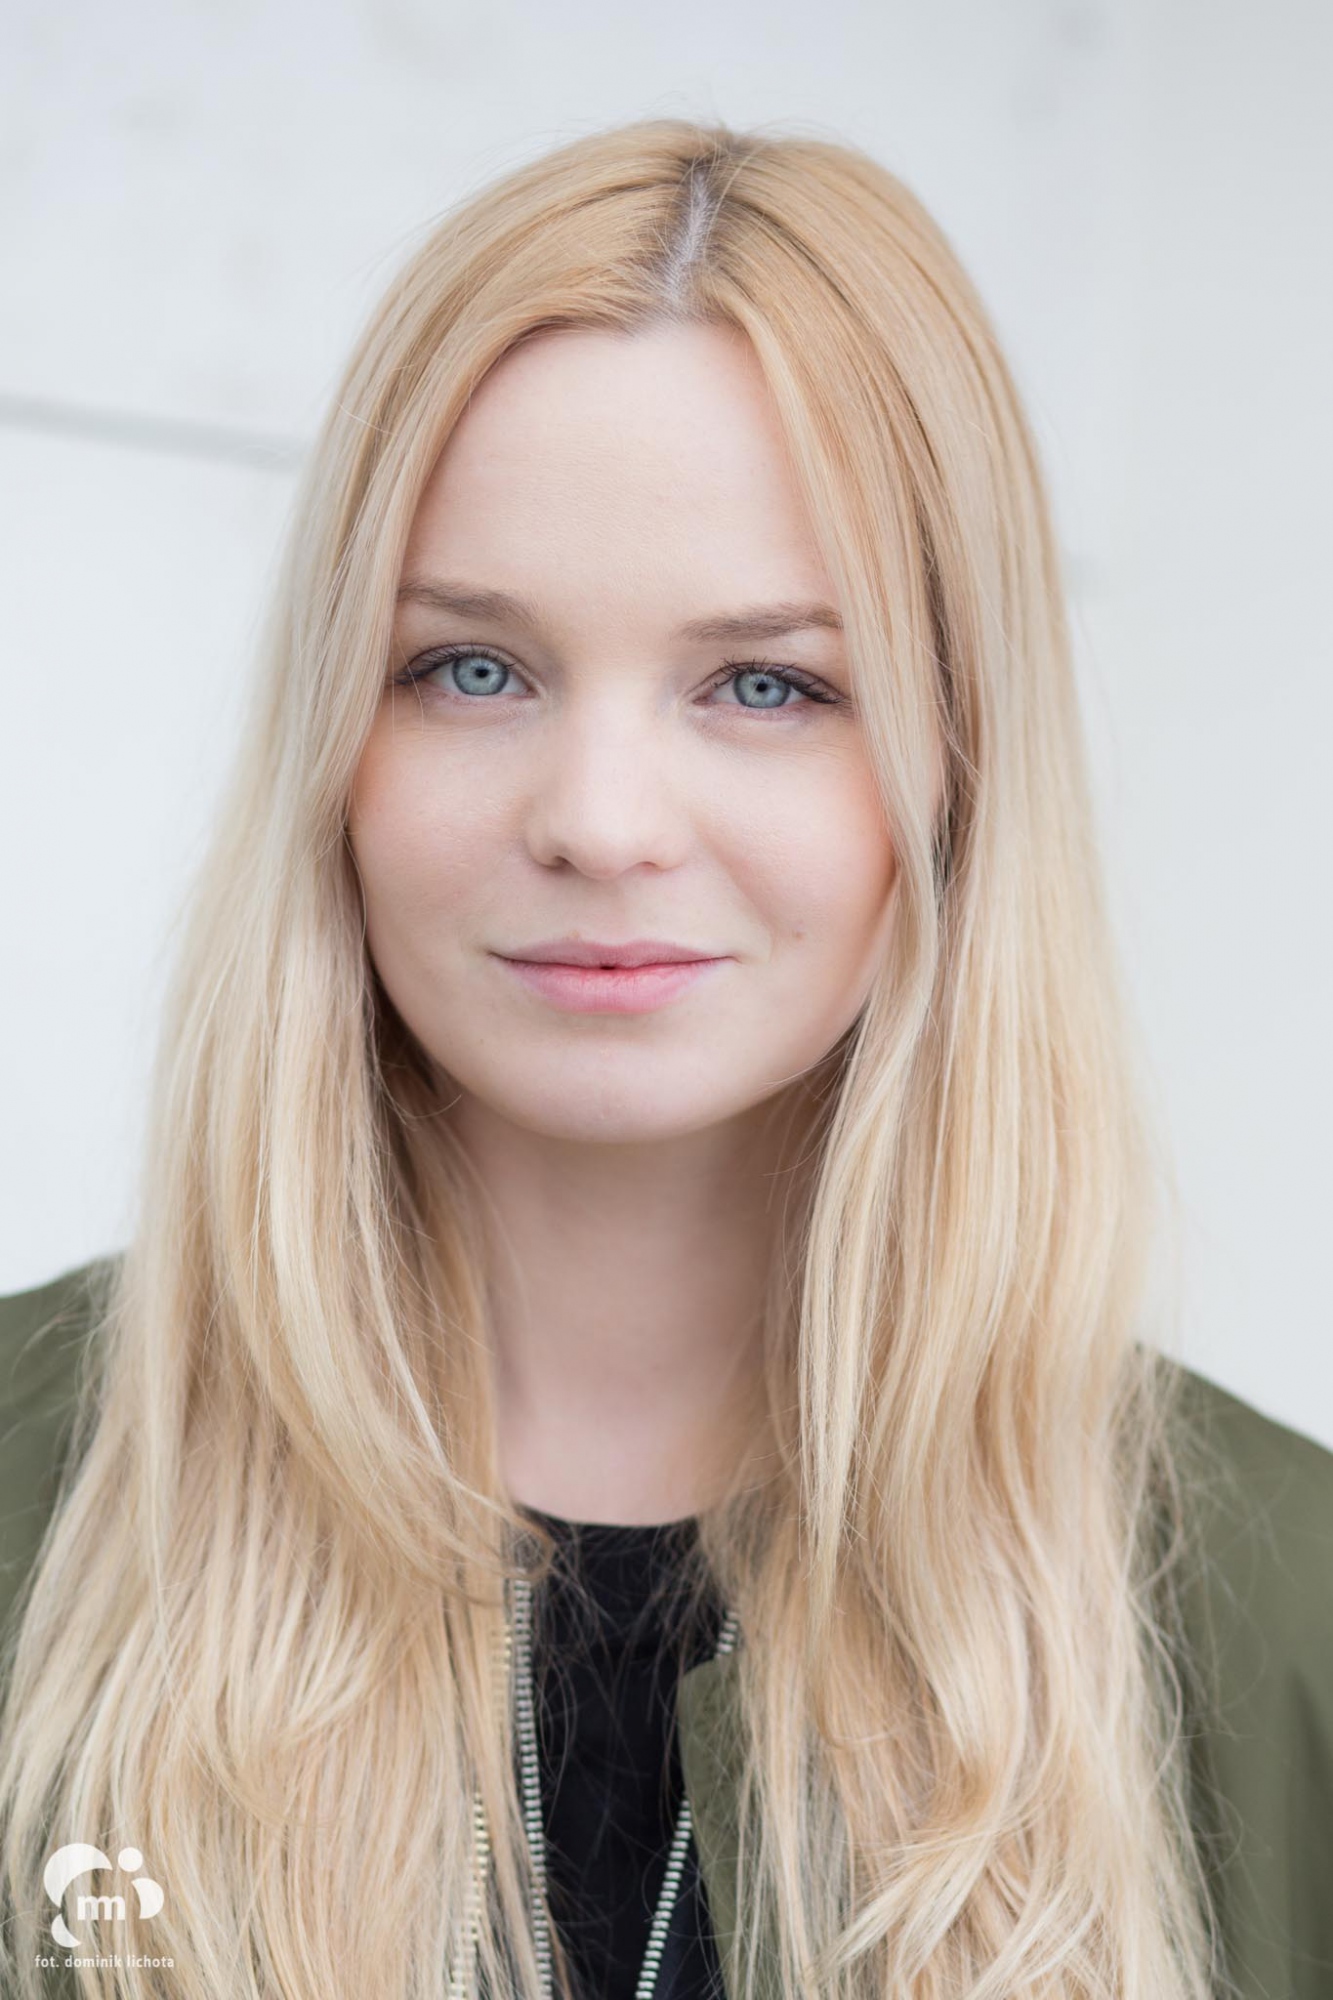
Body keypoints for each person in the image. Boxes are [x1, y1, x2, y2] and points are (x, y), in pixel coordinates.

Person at [0, 117, 1330, 2000]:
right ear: (335, 744)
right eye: (471, 668)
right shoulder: (26, 1497)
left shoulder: (1289, 1630)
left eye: (766, 684)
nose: (601, 820)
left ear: (956, 769)